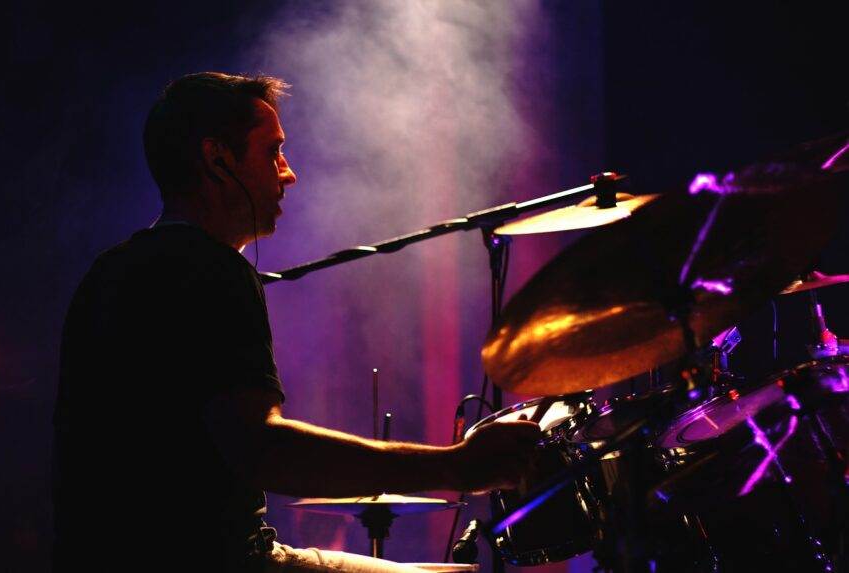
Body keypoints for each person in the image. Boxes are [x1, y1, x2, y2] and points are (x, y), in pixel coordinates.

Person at [52, 72, 541, 573]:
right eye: (272, 152)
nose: (289, 174)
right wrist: (456, 465)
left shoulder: (106, 273)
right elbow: (262, 447)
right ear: (217, 159)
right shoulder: (214, 270)